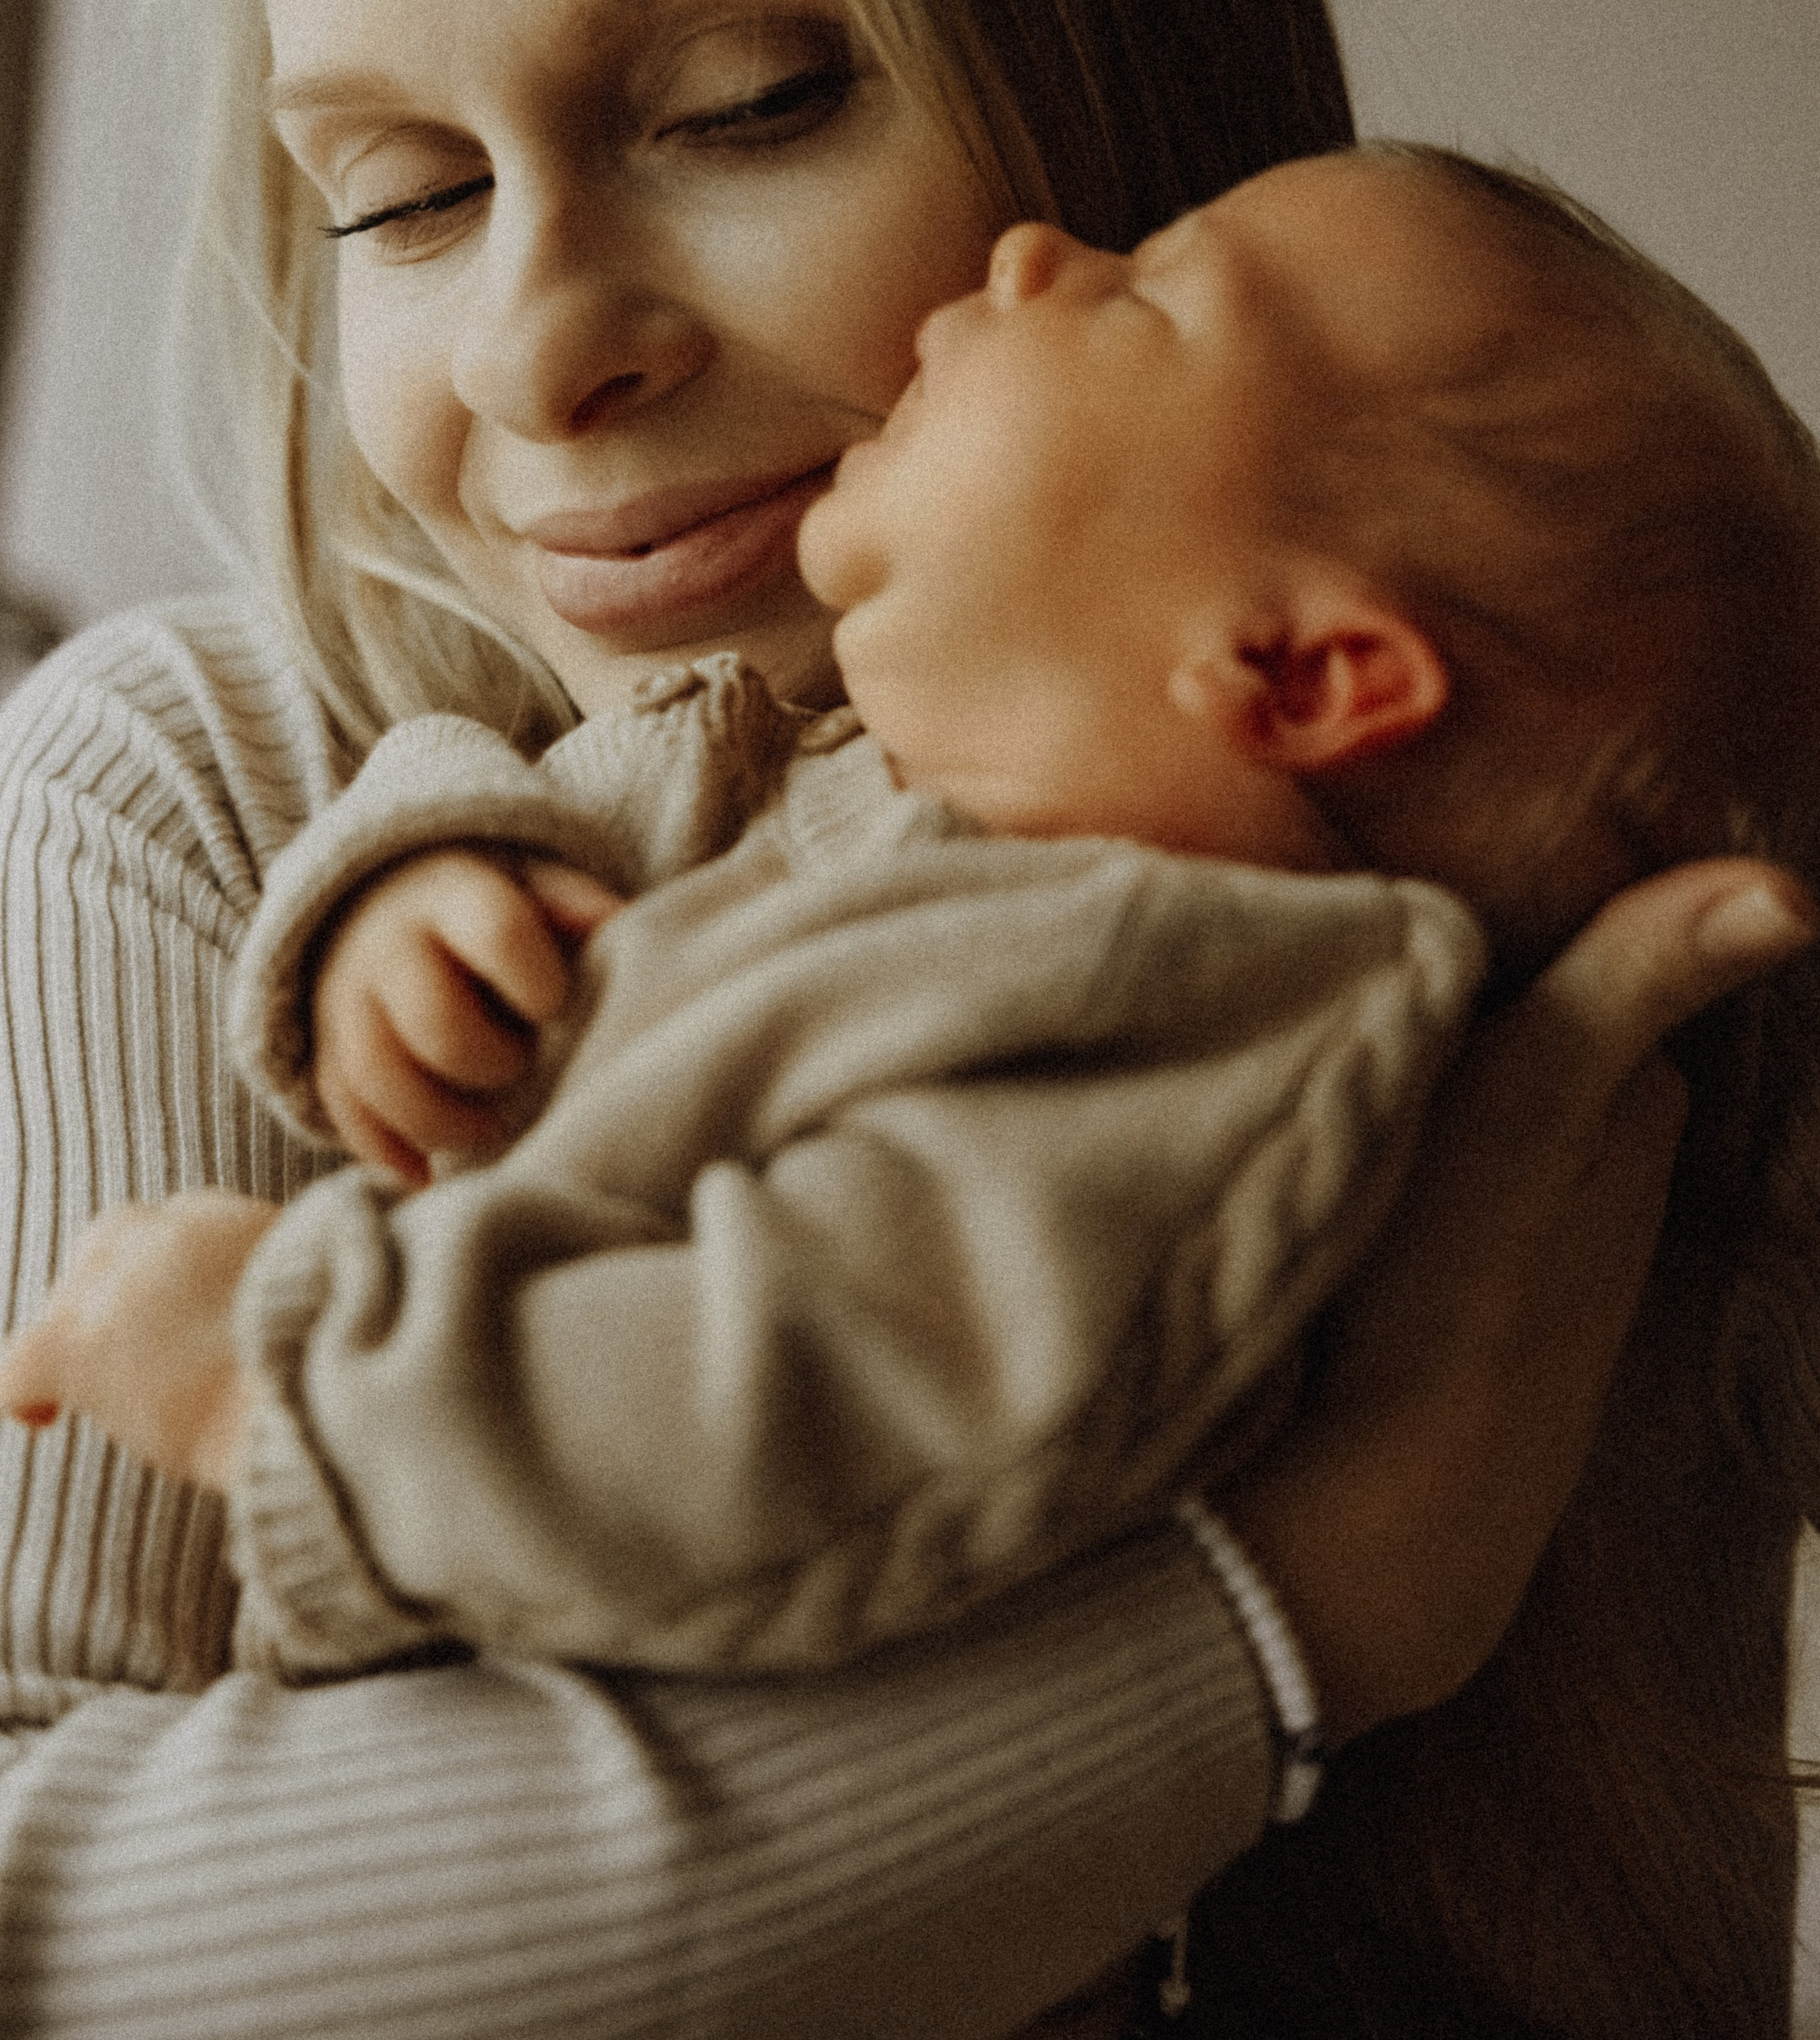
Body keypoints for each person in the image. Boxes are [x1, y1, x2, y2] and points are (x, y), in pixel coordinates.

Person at [0, 0, 1804, 2040]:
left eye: (751, 101)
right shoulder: (203, 803)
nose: (536, 341)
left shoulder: (1531, 897)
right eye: (396, 191)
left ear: (1117, 84)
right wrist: (1292, 1616)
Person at [12, 137, 1819, 1720]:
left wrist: (289, 1386)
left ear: (1297, 669)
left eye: (1143, 301)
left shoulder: (1202, 1030)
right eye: (404, 196)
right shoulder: (866, 796)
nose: (1034, 257)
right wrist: (417, 882)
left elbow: (767, 1414)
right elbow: (585, 804)